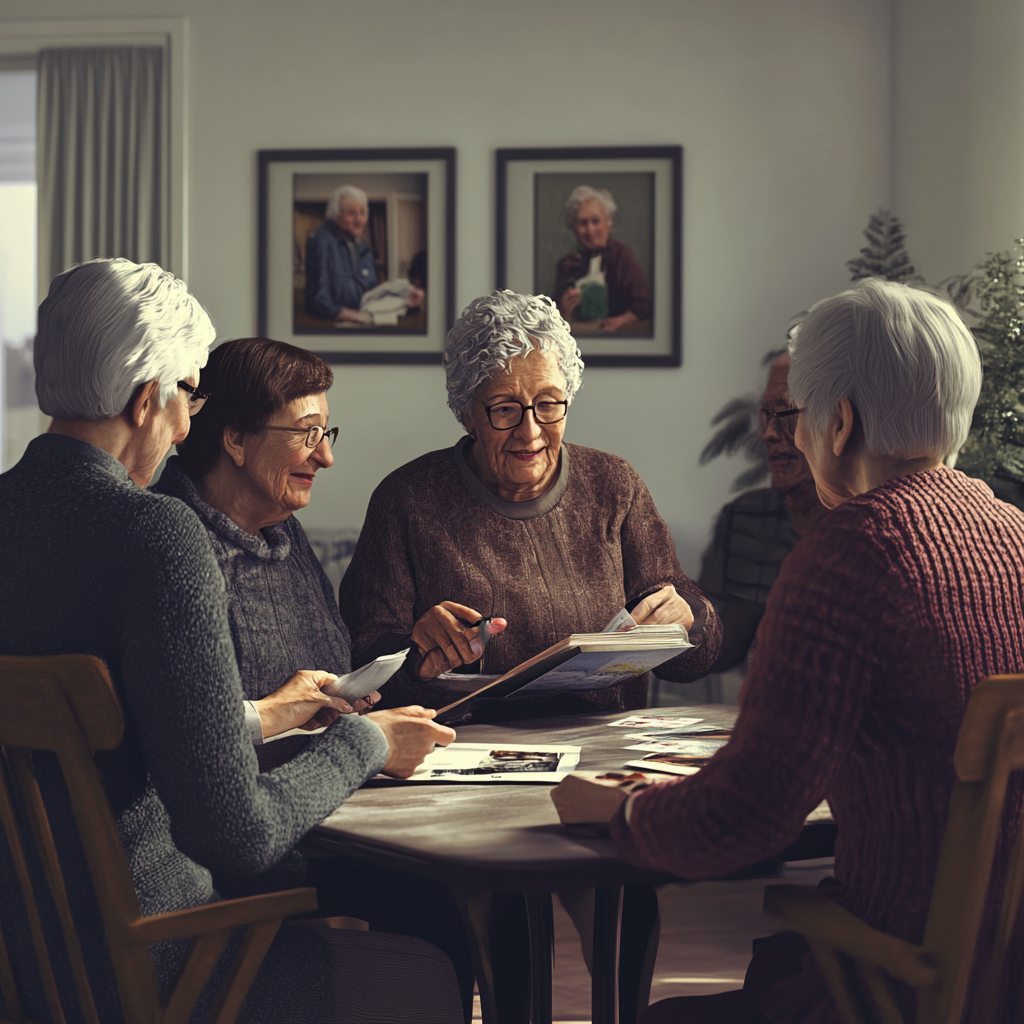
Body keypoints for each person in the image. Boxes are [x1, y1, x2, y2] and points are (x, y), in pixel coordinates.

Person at [0, 258, 464, 1024]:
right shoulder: (155, 534)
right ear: (148, 398)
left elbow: (121, 723)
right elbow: (236, 836)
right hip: (165, 965)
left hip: (27, 961)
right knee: (427, 974)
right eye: (187, 397)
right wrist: (367, 744)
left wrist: (262, 717)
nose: (189, 426)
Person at [568, 278, 1024, 1023]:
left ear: (839, 424)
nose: (794, 436)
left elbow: (743, 816)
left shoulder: (850, 551)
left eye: (801, 417)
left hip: (887, 987)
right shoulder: (1016, 533)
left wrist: (616, 812)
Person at [152, 335, 480, 1018]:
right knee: (436, 922)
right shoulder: (171, 547)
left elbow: (323, 681)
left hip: (324, 818)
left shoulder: (280, 532)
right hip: (251, 852)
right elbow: (194, 742)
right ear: (236, 439)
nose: (326, 455)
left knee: (445, 906)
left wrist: (408, 659)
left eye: (325, 431)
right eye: (306, 434)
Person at [339, 288, 721, 721]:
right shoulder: (406, 499)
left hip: (603, 750)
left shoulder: (615, 485)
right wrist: (415, 657)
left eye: (547, 405)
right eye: (505, 409)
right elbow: (360, 662)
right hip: (460, 760)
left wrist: (687, 616)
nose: (530, 431)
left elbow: (696, 660)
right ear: (466, 412)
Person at [698, 350, 828, 673]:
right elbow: (710, 655)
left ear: (838, 423)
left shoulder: (871, 526)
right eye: (766, 415)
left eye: (787, 414)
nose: (769, 433)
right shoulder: (742, 518)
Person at [554, 185, 651, 333]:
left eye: (595, 221)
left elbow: (643, 306)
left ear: (608, 222)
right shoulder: (567, 265)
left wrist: (622, 320)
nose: (590, 230)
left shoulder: (621, 257)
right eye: (583, 223)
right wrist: (563, 311)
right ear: (573, 227)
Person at [304, 184, 379, 322]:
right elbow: (319, 296)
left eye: (362, 213)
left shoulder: (363, 246)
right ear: (336, 215)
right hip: (331, 325)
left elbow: (372, 289)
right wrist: (342, 313)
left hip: (363, 319)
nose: (359, 220)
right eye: (351, 213)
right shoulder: (322, 240)